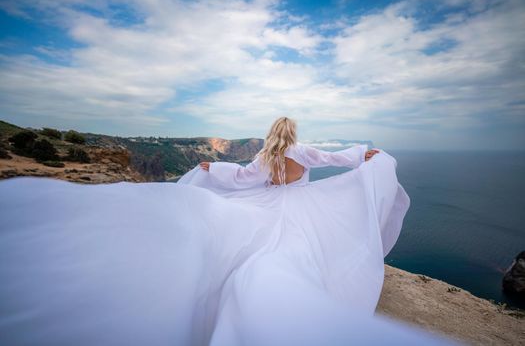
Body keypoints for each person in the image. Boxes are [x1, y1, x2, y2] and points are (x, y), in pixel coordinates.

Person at [0, 117, 460, 345]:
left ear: (270, 134)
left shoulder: (264, 159)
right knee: (306, 253)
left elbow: (242, 180)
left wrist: (210, 166)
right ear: (293, 132)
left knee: (255, 247)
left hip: (268, 205)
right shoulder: (306, 151)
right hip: (304, 208)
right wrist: (366, 154)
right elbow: (341, 159)